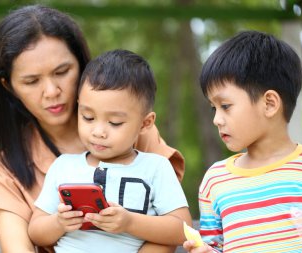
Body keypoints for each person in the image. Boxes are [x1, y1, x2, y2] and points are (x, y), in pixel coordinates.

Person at [0, 5, 186, 253]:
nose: (52, 92)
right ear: (9, 86)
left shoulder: (134, 134)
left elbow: (167, 233)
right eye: (32, 81)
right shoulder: (6, 170)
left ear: (81, 65)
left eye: (62, 71)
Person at [28, 49, 192, 252]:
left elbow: (183, 229)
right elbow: (35, 232)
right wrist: (58, 223)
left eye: (115, 123)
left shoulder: (156, 167)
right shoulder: (64, 166)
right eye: (88, 117)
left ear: (145, 123)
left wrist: (130, 223)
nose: (98, 132)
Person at [182, 31, 302, 252]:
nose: (216, 119)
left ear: (269, 103)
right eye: (214, 108)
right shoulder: (215, 180)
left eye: (225, 106)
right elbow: (214, 246)